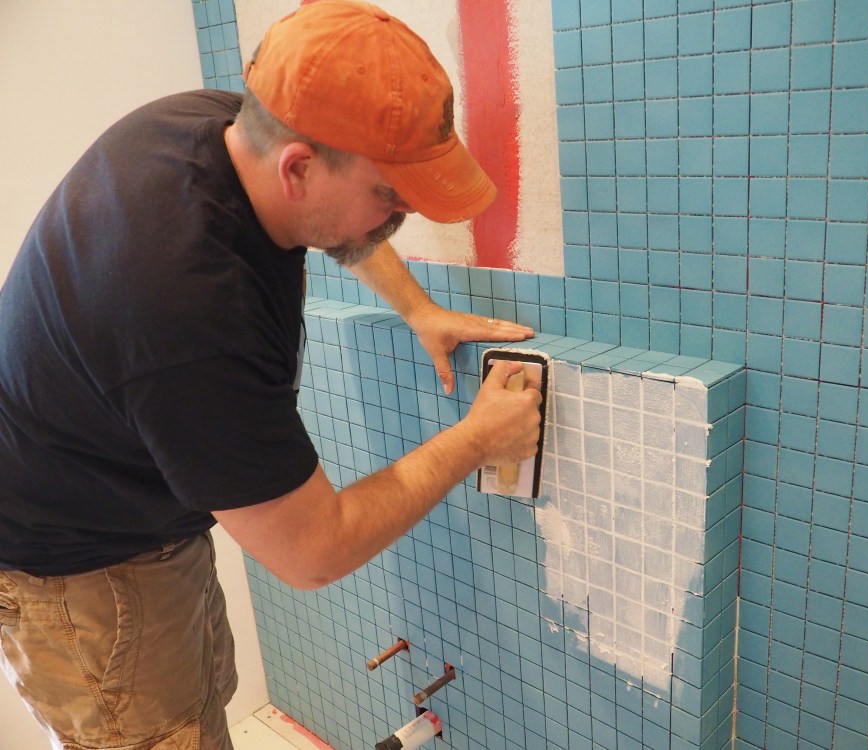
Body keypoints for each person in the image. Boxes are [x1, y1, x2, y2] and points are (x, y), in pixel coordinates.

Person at [0, 1, 542, 747]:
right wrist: (477, 440)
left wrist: (416, 307)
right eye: (391, 197)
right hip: (78, 573)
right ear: (298, 167)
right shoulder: (188, 312)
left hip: (130, 510)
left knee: (198, 709)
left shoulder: (219, 127)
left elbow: (334, 221)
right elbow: (314, 555)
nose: (401, 218)